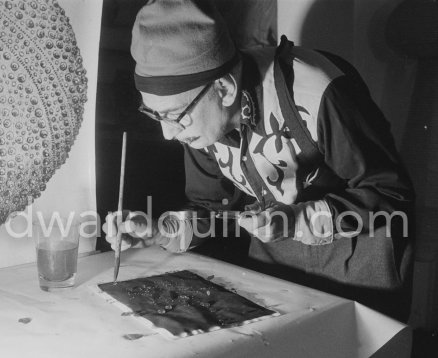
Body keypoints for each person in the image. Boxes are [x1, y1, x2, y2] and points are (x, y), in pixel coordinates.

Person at [102, 0, 414, 321]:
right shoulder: (200, 116)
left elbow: (391, 194)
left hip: (358, 260)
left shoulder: (319, 90)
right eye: (155, 114)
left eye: (174, 116)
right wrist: (162, 231)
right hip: (276, 259)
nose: (168, 134)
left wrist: (294, 220)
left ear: (223, 88)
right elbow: (213, 213)